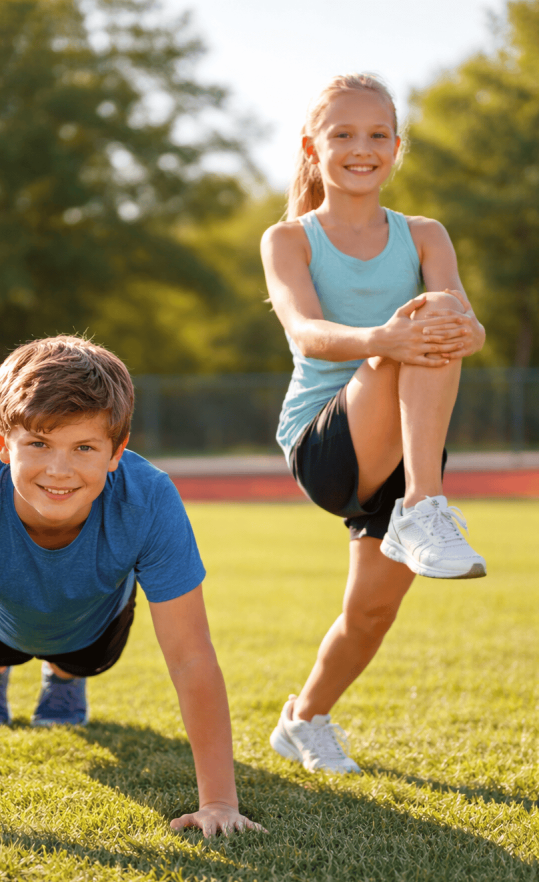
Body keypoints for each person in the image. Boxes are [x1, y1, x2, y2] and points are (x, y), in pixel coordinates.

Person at [0, 336, 263, 840]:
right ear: (2, 443)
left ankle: (63, 677)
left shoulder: (150, 499)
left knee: (79, 657)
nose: (59, 469)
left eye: (84, 447)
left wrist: (220, 802)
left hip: (90, 625)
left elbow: (190, 656)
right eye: (39, 444)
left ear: (117, 451)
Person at [260, 73, 486, 775]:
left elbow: (468, 330)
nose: (362, 148)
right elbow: (305, 332)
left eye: (377, 135)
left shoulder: (423, 234)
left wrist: (449, 330)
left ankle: (303, 719)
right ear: (310, 148)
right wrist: (385, 339)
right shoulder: (288, 238)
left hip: (405, 439)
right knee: (424, 321)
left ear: (396, 147)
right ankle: (424, 506)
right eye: (343, 134)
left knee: (369, 616)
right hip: (325, 442)